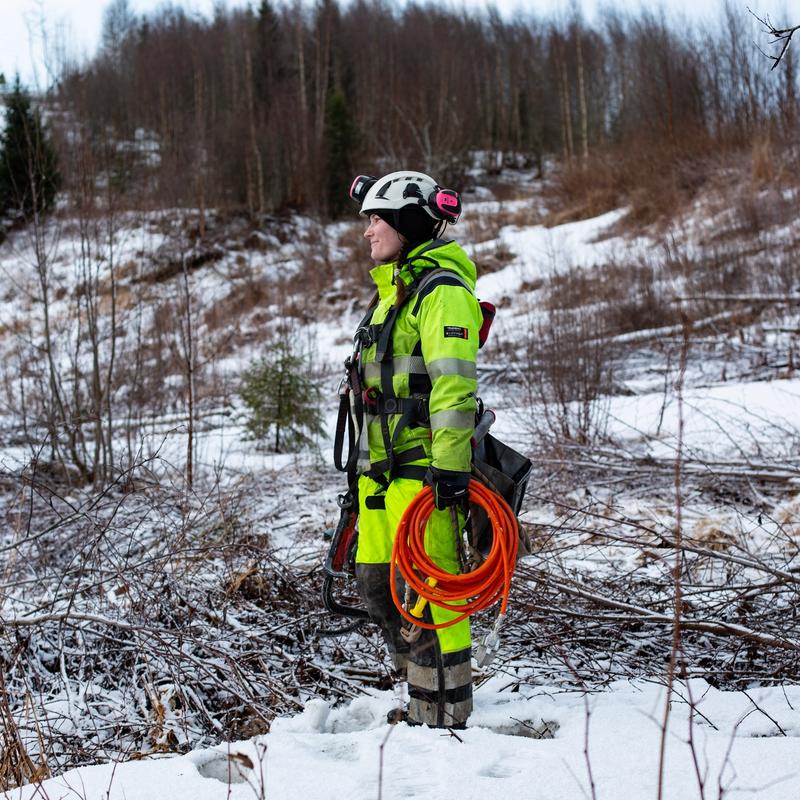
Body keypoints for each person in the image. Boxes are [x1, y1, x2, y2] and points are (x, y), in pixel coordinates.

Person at [345, 170, 482, 729]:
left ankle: (443, 712)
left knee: (434, 593)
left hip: (424, 475)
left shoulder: (442, 292)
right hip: (380, 477)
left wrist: (450, 471)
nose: (367, 232)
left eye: (376, 220)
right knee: (378, 586)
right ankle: (416, 688)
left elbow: (453, 388)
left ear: (405, 223)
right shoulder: (390, 294)